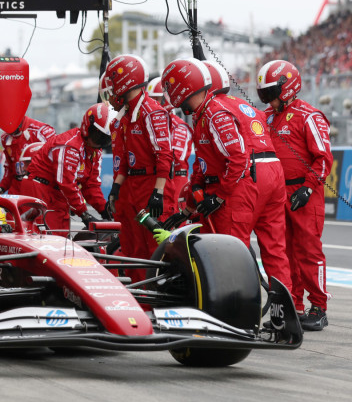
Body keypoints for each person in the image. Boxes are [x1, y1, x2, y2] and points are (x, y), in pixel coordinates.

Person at [161, 57, 292, 297]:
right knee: (275, 249)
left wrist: (219, 196)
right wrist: (189, 209)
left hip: (245, 179)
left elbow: (236, 158)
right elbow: (204, 167)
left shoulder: (212, 110)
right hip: (272, 173)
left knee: (231, 249)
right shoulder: (238, 104)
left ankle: (237, 311)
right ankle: (285, 310)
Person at [258, 59, 333, 331]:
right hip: (277, 193)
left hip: (304, 192)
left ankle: (319, 307)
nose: (267, 99)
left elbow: (323, 158)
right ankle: (293, 307)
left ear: (287, 88)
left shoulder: (309, 116)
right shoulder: (265, 117)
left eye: (270, 93)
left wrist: (309, 187)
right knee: (283, 253)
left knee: (308, 252)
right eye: (263, 94)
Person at [104, 55, 172, 282]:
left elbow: (164, 154)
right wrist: (115, 189)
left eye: (113, 82)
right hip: (130, 189)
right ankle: (139, 303)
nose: (111, 89)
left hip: (148, 187)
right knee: (131, 248)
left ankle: (156, 301)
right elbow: (123, 159)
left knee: (152, 249)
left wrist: (158, 192)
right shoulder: (124, 117)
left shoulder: (152, 112)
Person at [26, 103, 113, 232]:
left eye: (105, 139)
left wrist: (103, 209)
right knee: (48, 239)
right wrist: (83, 213)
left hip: (59, 195)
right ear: (87, 127)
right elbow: (66, 183)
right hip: (41, 192)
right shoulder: (70, 146)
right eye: (97, 135)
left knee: (62, 237)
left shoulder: (95, 151)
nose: (100, 141)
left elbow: (91, 185)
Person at [147, 77, 193, 221]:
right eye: (151, 99)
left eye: (157, 99)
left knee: (175, 228)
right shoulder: (150, 122)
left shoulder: (180, 126)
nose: (153, 103)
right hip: (159, 181)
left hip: (177, 182)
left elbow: (175, 156)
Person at [0, 116, 55, 194]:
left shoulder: (42, 131)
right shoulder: (5, 138)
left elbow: (56, 163)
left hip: (40, 190)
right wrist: (1, 189)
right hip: (16, 191)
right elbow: (9, 169)